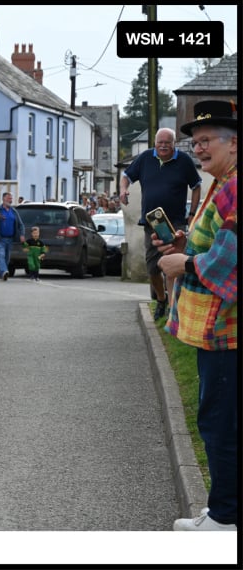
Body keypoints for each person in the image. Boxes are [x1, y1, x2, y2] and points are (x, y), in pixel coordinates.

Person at [154, 100, 237, 531]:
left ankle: (224, 521)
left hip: (228, 334)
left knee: (221, 425)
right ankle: (224, 510)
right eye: (196, 142)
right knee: (221, 421)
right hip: (219, 333)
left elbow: (230, 261)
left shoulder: (235, 186)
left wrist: (182, 263)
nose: (198, 149)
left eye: (206, 141)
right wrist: (184, 242)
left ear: (234, 143)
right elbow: (216, 242)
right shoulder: (221, 184)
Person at [119, 127, 202, 320]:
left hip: (176, 222)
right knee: (153, 268)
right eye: (160, 142)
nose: (163, 146)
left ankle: (176, 310)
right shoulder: (145, 158)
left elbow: (196, 186)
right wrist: (123, 190)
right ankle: (161, 300)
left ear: (174, 144)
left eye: (167, 143)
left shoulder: (184, 161)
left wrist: (192, 213)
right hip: (153, 221)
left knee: (174, 265)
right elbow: (126, 177)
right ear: (155, 142)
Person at [0, 192, 25, 280]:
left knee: (7, 258)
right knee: (1, 255)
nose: (10, 200)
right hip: (0, 238)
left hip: (10, 239)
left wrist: (22, 234)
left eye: (11, 199)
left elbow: (20, 224)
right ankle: (4, 271)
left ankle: (2, 273)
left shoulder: (14, 211)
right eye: (8, 198)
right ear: (3, 199)